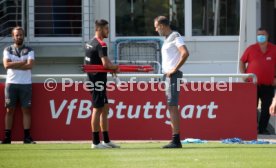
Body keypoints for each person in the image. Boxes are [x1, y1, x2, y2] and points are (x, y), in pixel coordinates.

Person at [154, 16, 189, 148]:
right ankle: (175, 139)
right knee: (171, 107)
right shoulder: (168, 38)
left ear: (162, 26)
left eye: (157, 26)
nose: (156, 29)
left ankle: (176, 140)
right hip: (168, 76)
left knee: (173, 107)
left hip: (172, 76)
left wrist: (174, 69)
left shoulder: (175, 35)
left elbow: (185, 53)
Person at [85, 19, 120, 149]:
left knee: (105, 109)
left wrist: (112, 67)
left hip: (92, 80)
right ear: (99, 29)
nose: (108, 31)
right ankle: (95, 142)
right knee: (97, 109)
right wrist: (114, 67)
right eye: (106, 28)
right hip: (97, 81)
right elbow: (105, 64)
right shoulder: (101, 44)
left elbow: (104, 61)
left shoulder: (89, 42)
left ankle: (106, 140)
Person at [1, 26, 35, 144]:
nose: (19, 37)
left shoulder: (29, 50)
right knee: (9, 110)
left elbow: (30, 66)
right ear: (13, 37)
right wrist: (22, 62)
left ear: (23, 36)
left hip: (26, 84)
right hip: (11, 84)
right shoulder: (7, 50)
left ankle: (26, 137)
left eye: (21, 34)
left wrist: (13, 63)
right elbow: (6, 65)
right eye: (17, 35)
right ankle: (7, 137)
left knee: (26, 110)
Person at [240, 28, 276, 135]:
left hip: (268, 85)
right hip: (252, 84)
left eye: (263, 35)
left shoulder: (274, 49)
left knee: (266, 109)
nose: (261, 36)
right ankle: (252, 128)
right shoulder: (251, 49)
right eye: (259, 35)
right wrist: (243, 75)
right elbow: (242, 61)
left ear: (267, 36)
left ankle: (262, 129)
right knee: (251, 107)